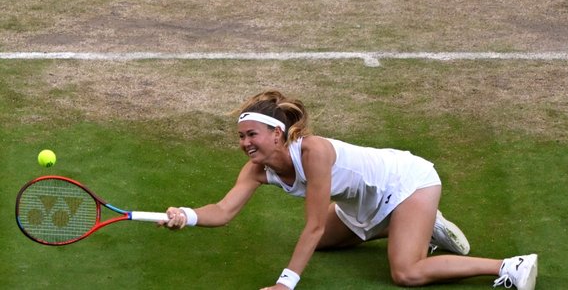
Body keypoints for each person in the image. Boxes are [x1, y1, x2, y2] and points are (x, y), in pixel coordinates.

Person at [159, 90, 538, 290]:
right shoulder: (257, 169)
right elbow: (223, 211)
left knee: (406, 272)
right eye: (241, 137)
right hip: (364, 204)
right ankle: (418, 227)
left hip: (407, 183)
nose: (245, 144)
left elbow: (314, 225)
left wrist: (285, 283)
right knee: (321, 245)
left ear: (277, 133)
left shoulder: (314, 151)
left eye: (251, 135)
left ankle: (508, 266)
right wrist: (186, 216)